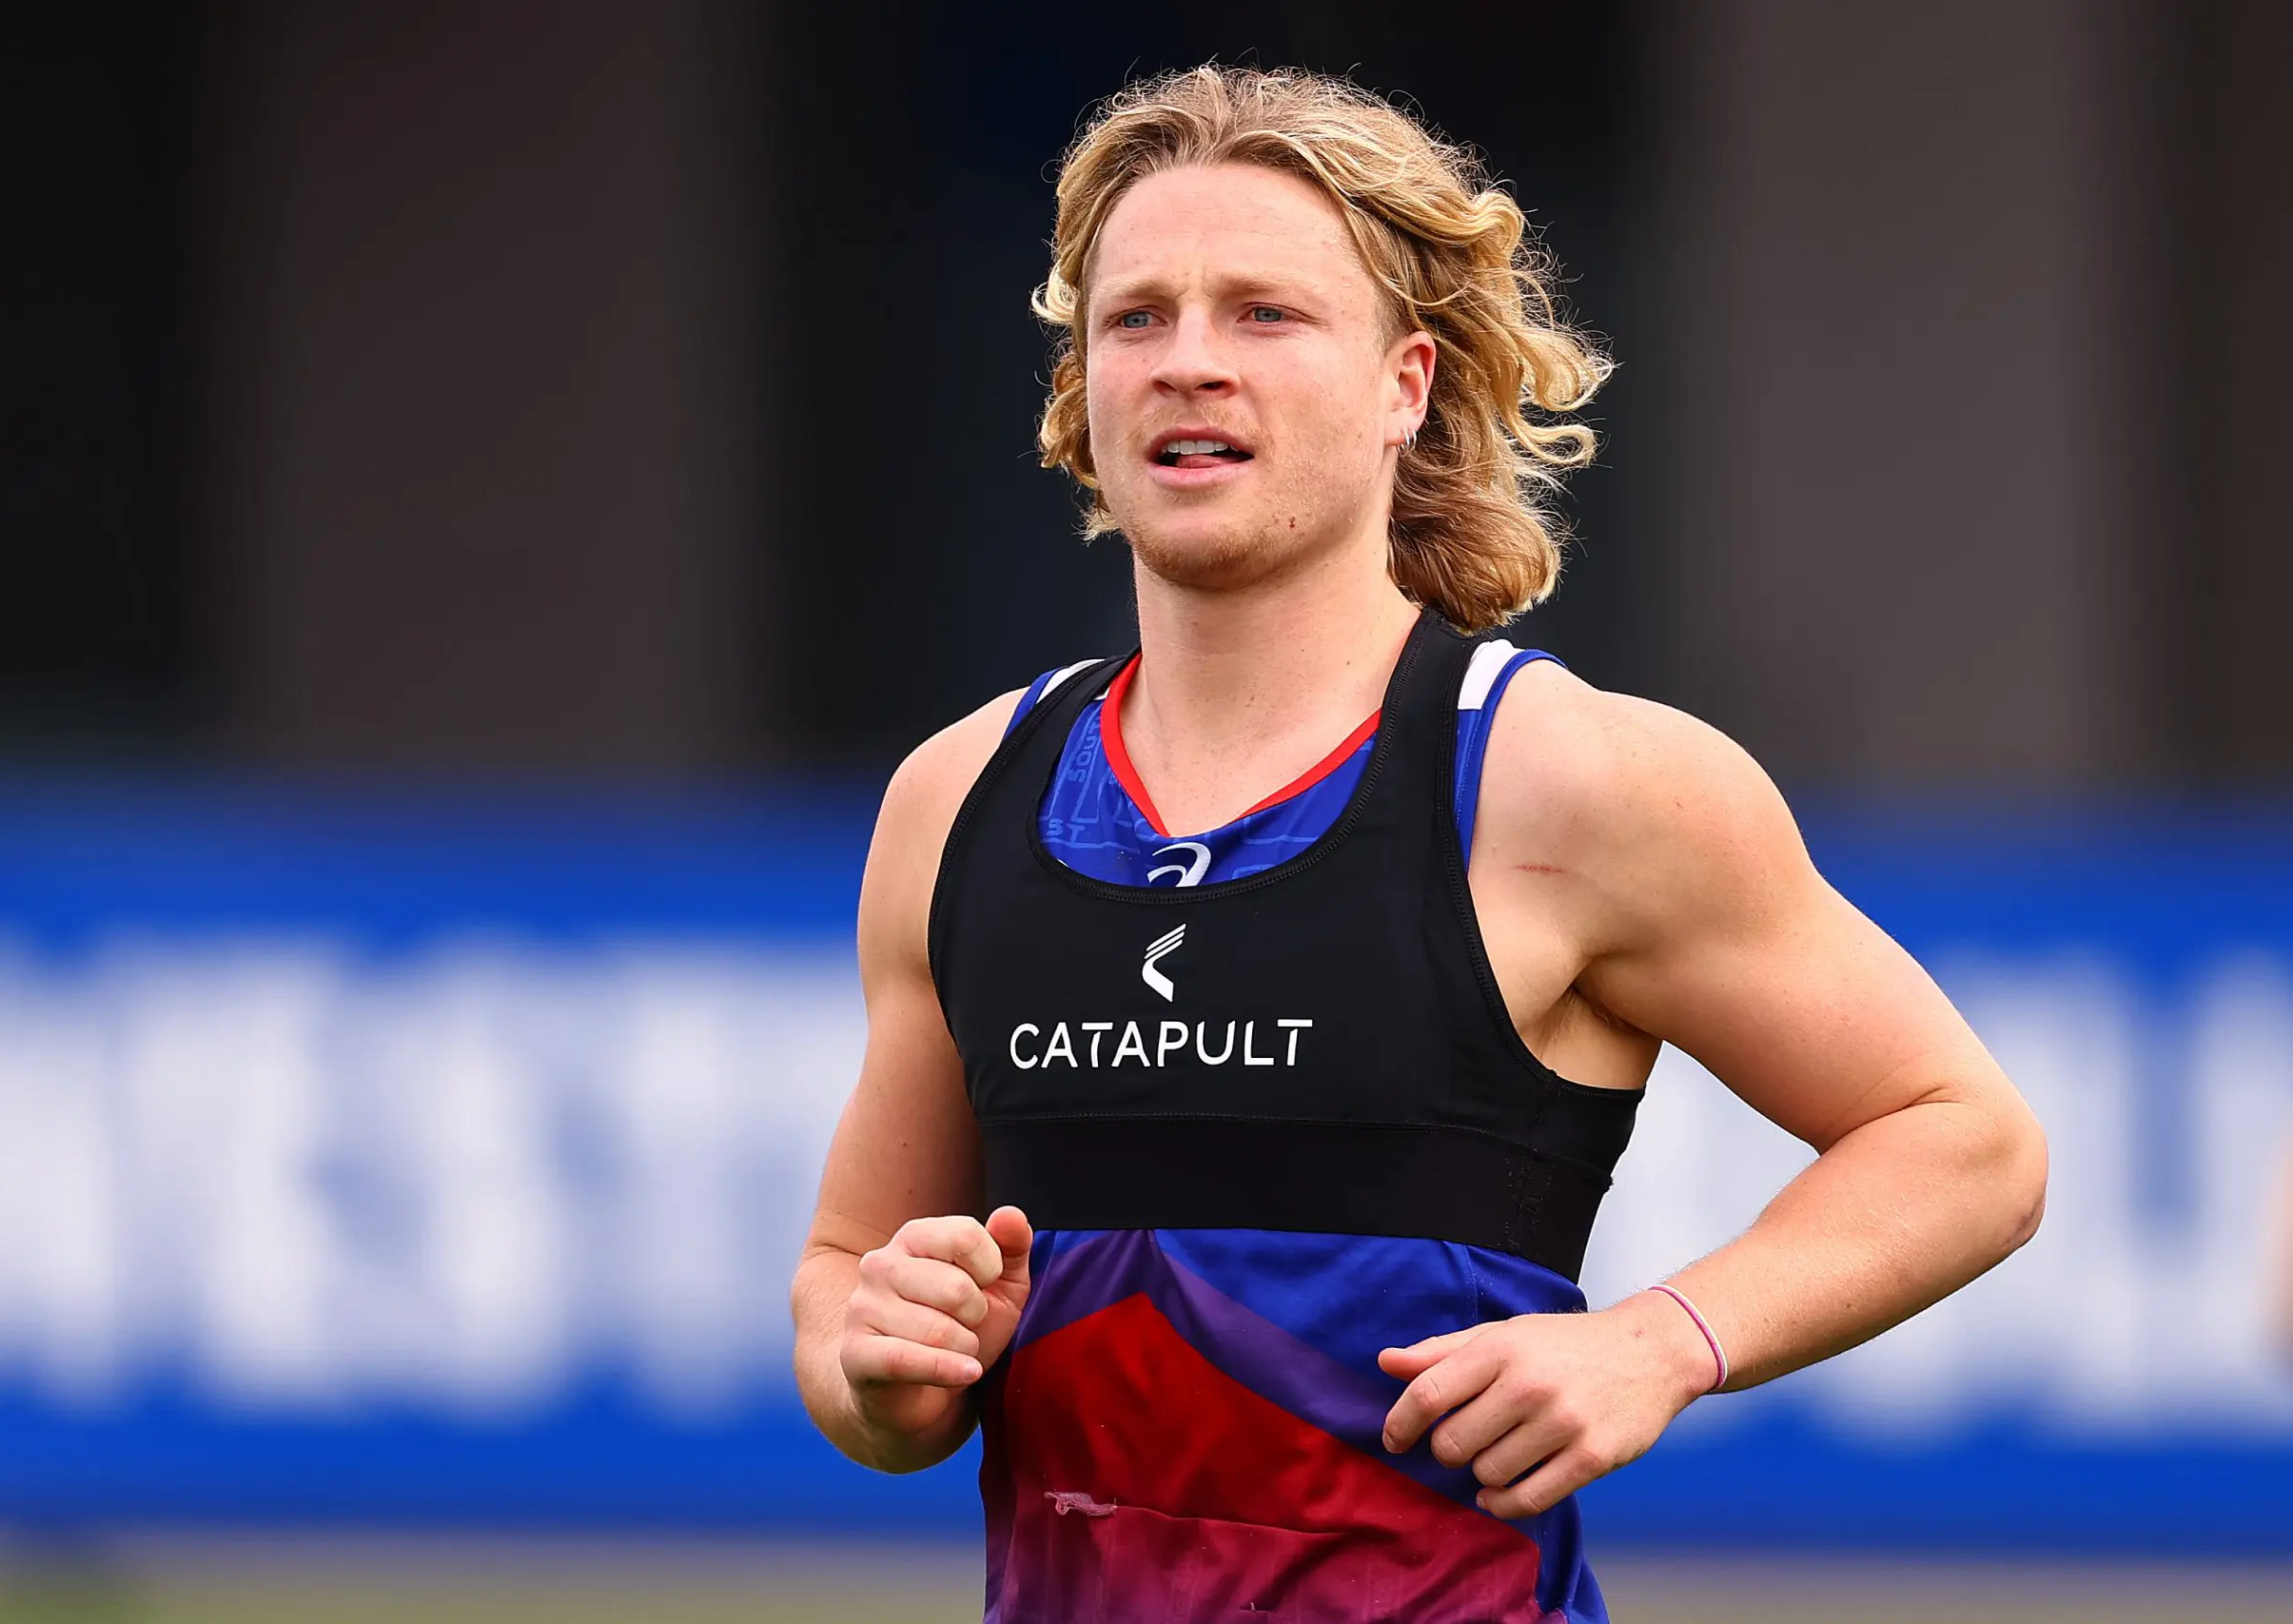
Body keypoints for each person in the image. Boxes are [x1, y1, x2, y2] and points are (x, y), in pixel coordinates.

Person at [790, 65, 2048, 1624]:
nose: (1190, 363)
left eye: (1264, 314)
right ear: (1082, 390)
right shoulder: (961, 795)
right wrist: (881, 1364)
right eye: (1138, 317)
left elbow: (1966, 1138)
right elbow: (853, 1282)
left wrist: (1662, 1341)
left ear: (1406, 383)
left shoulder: (1572, 781)